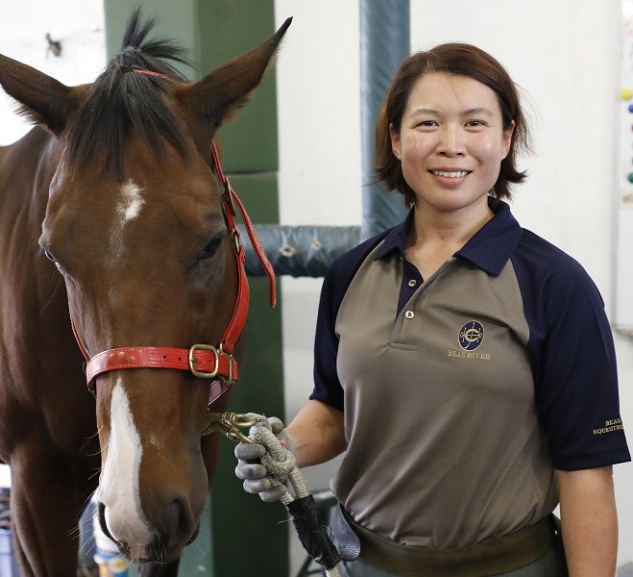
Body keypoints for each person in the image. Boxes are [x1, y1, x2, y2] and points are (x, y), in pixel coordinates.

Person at [235, 43, 631, 577]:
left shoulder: (556, 287)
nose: (452, 145)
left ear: (506, 138)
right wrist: (287, 446)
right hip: (357, 564)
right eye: (427, 123)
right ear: (396, 139)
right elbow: (335, 408)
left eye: (475, 123)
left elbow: (585, 475)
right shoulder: (352, 273)